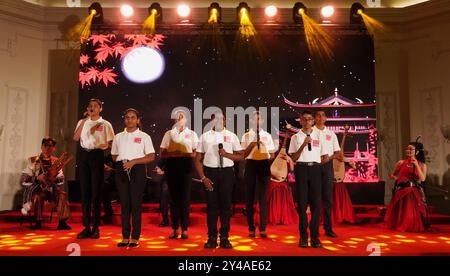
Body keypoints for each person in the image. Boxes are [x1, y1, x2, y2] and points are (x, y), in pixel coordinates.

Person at [194, 112, 243, 249]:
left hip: (227, 173)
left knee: (226, 207)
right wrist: (203, 178)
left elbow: (241, 156)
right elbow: (197, 159)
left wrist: (227, 154)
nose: (219, 121)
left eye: (222, 118)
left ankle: (225, 237)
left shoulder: (232, 136)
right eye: (216, 119)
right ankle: (211, 237)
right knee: (212, 207)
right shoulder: (205, 136)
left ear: (225, 121)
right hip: (210, 173)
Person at [112, 108, 155, 247]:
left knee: (135, 205)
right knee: (124, 204)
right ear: (124, 119)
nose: (129, 120)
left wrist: (134, 161)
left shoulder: (144, 136)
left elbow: (151, 156)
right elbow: (114, 155)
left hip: (137, 169)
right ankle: (125, 237)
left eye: (132, 117)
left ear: (137, 120)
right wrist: (122, 162)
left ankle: (135, 237)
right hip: (121, 168)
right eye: (127, 117)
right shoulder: (118, 136)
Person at [73, 98, 114, 239]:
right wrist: (85, 120)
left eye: (95, 106)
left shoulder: (105, 124)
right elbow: (75, 138)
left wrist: (103, 147)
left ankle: (96, 228)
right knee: (85, 194)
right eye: (90, 106)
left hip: (97, 155)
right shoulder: (82, 122)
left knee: (96, 194)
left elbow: (111, 144)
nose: (92, 108)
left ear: (100, 109)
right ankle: (86, 227)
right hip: (84, 155)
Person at [288, 110, 327, 248]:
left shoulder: (319, 136)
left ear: (313, 121)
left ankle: (315, 237)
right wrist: (304, 144)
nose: (307, 121)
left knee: (316, 204)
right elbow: (293, 158)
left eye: (310, 119)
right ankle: (303, 237)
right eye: (304, 119)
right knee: (302, 204)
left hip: (315, 169)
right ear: (300, 121)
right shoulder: (295, 137)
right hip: (301, 169)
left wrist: (316, 164)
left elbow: (325, 156)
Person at [160, 110, 199, 239]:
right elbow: (162, 153)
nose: (179, 119)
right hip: (171, 167)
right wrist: (174, 154)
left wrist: (182, 154)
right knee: (173, 199)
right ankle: (175, 228)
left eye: (181, 117)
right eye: (176, 118)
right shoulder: (169, 134)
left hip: (186, 167)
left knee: (185, 199)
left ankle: (185, 230)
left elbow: (195, 153)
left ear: (186, 119)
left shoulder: (192, 134)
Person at [20, 137, 72, 230]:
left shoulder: (56, 161)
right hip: (37, 188)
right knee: (38, 196)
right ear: (41, 147)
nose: (48, 148)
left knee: (62, 195)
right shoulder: (33, 160)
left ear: (54, 148)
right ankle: (38, 221)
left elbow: (61, 179)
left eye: (51, 146)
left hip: (51, 188)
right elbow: (24, 179)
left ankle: (62, 222)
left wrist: (54, 178)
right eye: (46, 145)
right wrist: (37, 178)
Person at [241, 111, 276, 238]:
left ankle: (262, 228)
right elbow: (243, 155)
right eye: (254, 119)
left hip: (263, 165)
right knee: (249, 199)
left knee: (262, 199)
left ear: (262, 121)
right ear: (250, 121)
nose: (256, 121)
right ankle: (251, 228)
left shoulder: (267, 136)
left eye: (259, 119)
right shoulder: (245, 136)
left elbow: (272, 154)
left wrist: (264, 155)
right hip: (250, 165)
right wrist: (252, 143)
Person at [385, 142, 429, 232]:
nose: (408, 151)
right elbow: (392, 175)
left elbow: (422, 178)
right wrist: (397, 178)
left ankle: (411, 226)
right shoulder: (401, 163)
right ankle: (401, 225)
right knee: (402, 211)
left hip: (413, 192)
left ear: (416, 152)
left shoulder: (422, 165)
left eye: (411, 149)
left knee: (411, 211)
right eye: (407, 149)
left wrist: (416, 165)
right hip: (402, 191)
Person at [314, 110, 342, 238]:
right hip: (313, 166)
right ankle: (313, 228)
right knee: (314, 199)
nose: (320, 117)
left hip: (327, 167)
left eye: (322, 115)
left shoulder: (331, 134)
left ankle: (328, 228)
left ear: (326, 118)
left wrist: (328, 159)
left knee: (327, 199)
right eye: (318, 115)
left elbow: (337, 153)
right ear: (314, 118)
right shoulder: (310, 132)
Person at [154, 158, 170, 227]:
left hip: (180, 179)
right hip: (167, 179)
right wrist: (158, 168)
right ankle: (165, 218)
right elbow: (158, 164)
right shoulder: (167, 155)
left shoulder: (182, 154)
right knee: (165, 192)